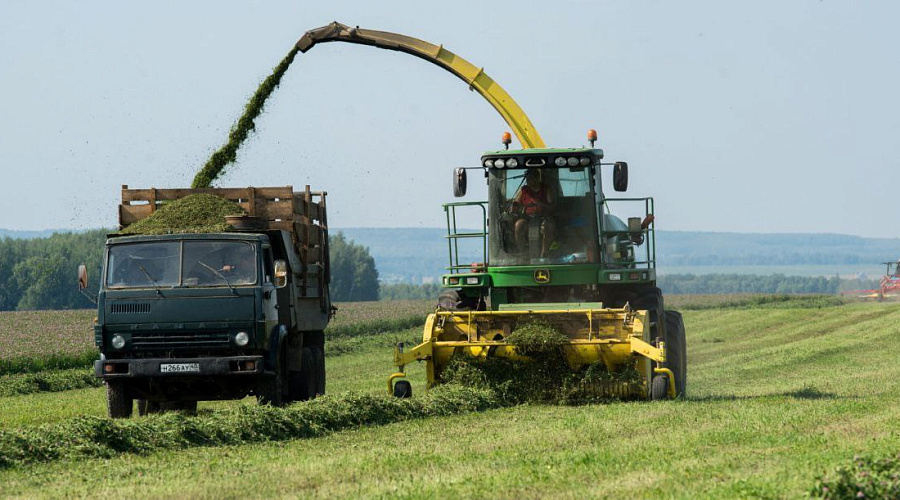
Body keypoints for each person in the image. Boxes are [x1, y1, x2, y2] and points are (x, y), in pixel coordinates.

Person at [511, 169, 556, 258]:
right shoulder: (524, 190)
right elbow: (516, 203)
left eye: (532, 178)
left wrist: (541, 204)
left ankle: (544, 253)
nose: (529, 180)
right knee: (518, 225)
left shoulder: (546, 189)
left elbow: (552, 206)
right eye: (528, 178)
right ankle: (523, 252)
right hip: (528, 218)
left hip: (543, 217)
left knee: (549, 226)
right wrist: (514, 207)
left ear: (537, 178)